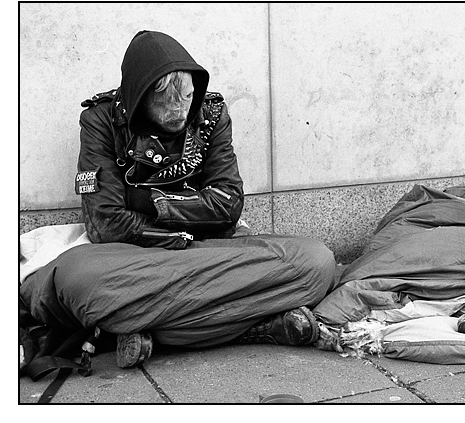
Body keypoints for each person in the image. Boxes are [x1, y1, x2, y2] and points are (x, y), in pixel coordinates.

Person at [20, 30, 338, 370]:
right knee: (80, 281)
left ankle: (146, 328)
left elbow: (229, 203)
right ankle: (252, 324)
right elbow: (105, 224)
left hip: (208, 251)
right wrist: (190, 215)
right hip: (133, 257)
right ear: (139, 97)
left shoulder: (210, 114)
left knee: (317, 262)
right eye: (164, 101)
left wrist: (147, 200)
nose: (178, 110)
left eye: (184, 97)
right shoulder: (100, 120)